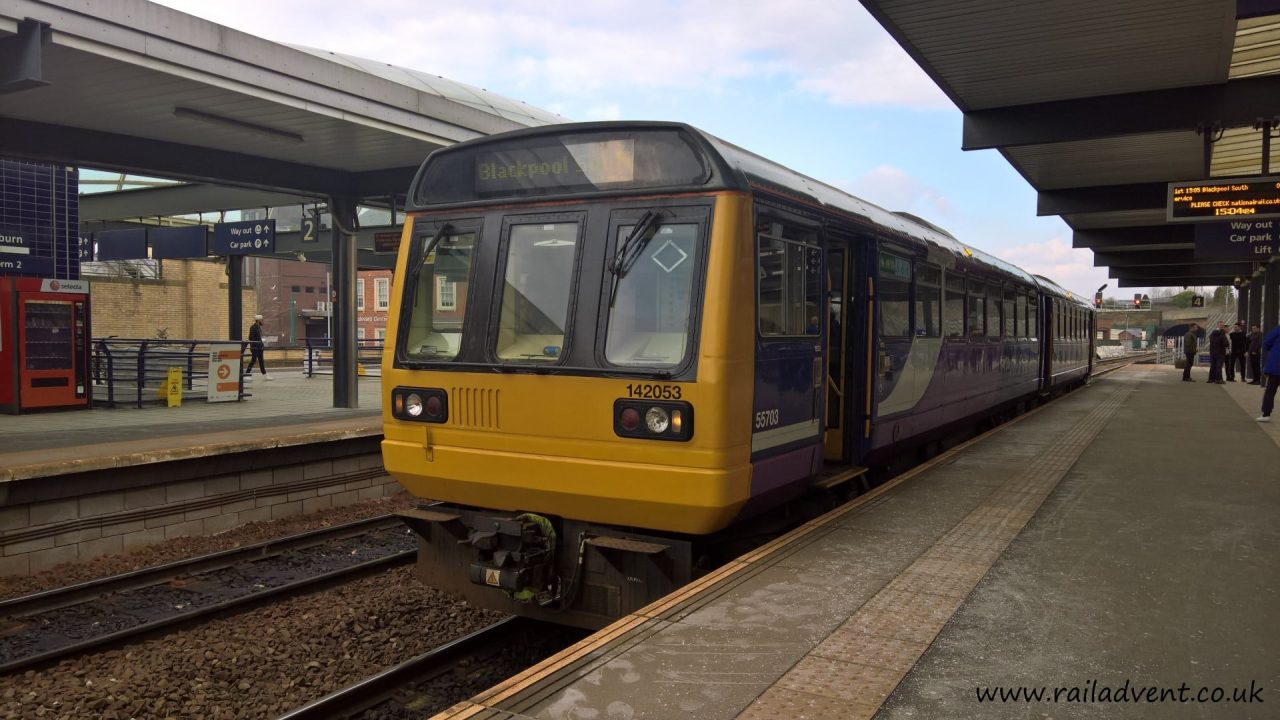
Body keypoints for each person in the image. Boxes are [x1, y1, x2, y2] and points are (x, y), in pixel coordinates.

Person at [1258, 324, 1280, 422]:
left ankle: (1266, 414)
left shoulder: (1278, 330)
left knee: (1270, 391)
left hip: (1276, 365)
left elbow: (1266, 343)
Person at [247, 314, 272, 380]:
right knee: (253, 360)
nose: (263, 321)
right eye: (262, 320)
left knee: (261, 361)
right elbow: (250, 337)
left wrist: (263, 341)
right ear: (258, 320)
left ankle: (264, 374)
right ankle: (247, 374)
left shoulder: (258, 327)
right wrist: (259, 342)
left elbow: (258, 338)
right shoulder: (253, 327)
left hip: (260, 347)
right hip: (255, 347)